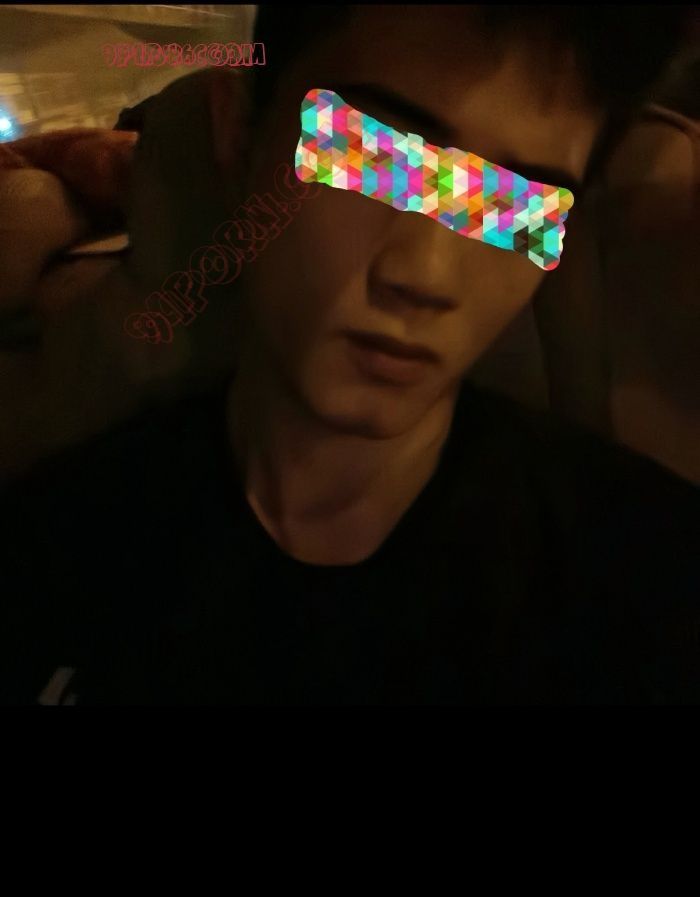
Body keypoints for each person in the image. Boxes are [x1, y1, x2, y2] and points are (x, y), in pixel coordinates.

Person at [0, 4, 698, 705]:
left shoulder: (649, 579)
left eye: (512, 206)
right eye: (370, 156)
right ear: (239, 129)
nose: (426, 273)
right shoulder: (53, 550)